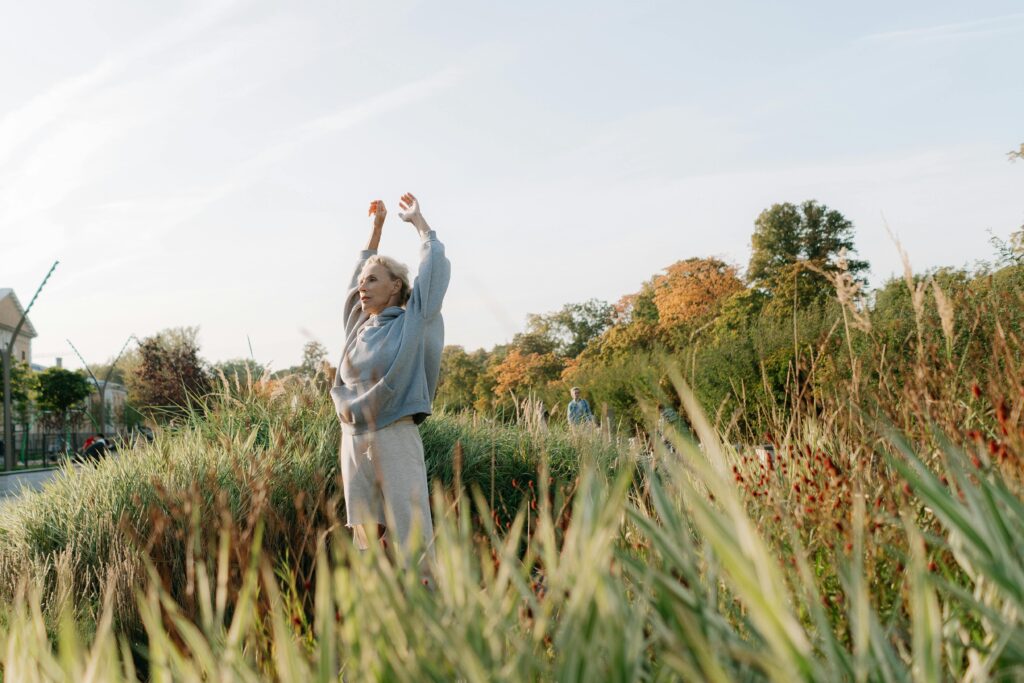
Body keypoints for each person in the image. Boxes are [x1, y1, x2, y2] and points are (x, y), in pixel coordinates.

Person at [330, 192, 451, 571]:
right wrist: (376, 229)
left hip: (395, 435)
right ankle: (380, 612)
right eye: (362, 283)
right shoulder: (358, 325)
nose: (362, 288)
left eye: (373, 281)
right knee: (365, 537)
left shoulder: (413, 321)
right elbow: (357, 273)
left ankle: (427, 607)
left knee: (410, 531)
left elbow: (433, 273)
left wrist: (420, 224)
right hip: (354, 437)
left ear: (396, 286)